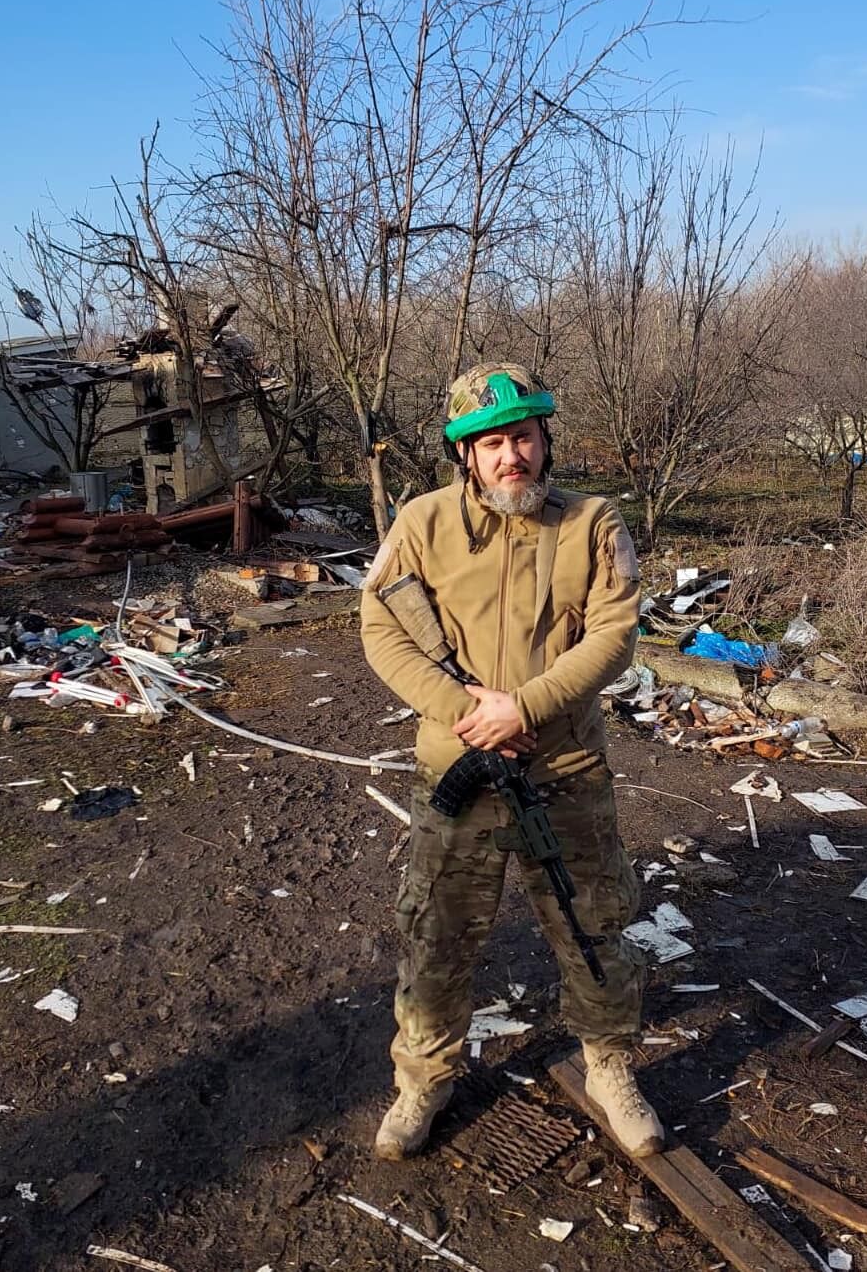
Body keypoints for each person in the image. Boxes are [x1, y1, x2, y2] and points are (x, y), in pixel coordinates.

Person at [360, 362, 664, 1160]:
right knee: (436, 935)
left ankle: (609, 1066)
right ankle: (423, 1081)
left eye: (522, 437)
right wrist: (469, 712)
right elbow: (380, 628)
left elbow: (613, 635)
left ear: (544, 439)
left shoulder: (594, 523)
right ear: (466, 454)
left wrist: (523, 708)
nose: (510, 456)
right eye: (490, 443)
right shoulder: (421, 523)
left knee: (593, 926)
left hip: (562, 770)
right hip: (455, 772)